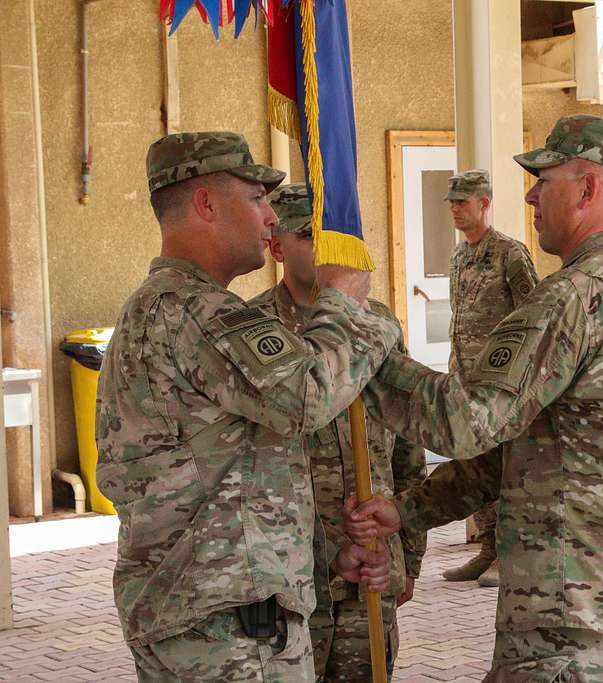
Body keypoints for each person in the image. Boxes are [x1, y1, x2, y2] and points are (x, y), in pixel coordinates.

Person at [346, 115, 603, 680]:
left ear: (588, 188)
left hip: (580, 604)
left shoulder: (576, 296)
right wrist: (410, 509)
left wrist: (361, 347)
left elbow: (466, 421)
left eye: (544, 180)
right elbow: (529, 446)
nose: (530, 195)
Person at [96, 132, 397, 681]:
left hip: (215, 616)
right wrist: (349, 308)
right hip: (229, 631)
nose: (269, 219)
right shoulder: (195, 310)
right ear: (206, 204)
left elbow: (234, 476)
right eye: (257, 199)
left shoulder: (169, 307)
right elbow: (308, 398)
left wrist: (320, 557)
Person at [249, 183, 427, 680]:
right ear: (277, 246)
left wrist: (408, 554)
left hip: (370, 563)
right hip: (291, 573)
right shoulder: (253, 329)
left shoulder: (376, 324)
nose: (328, 251)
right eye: (310, 236)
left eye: (336, 236)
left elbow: (407, 443)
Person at [442, 169, 538, 586]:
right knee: (473, 463)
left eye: (463, 202)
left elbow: (533, 315)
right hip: (465, 380)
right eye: (452, 202)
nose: (455, 209)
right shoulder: (460, 257)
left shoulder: (510, 254)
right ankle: (487, 547)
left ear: (484, 203)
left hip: (500, 385)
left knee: (504, 469)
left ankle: (510, 555)